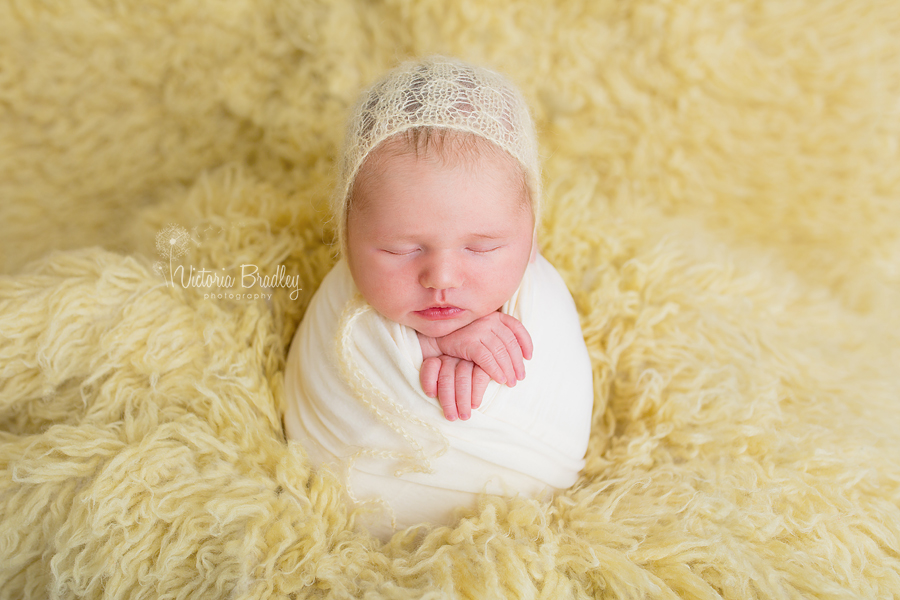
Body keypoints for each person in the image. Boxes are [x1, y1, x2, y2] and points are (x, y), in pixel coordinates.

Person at [283, 56, 594, 541]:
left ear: (531, 235)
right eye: (400, 249)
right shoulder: (342, 304)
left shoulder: (541, 299)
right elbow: (337, 368)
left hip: (510, 529)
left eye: (482, 247)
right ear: (346, 234)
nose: (442, 277)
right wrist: (439, 347)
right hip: (342, 523)